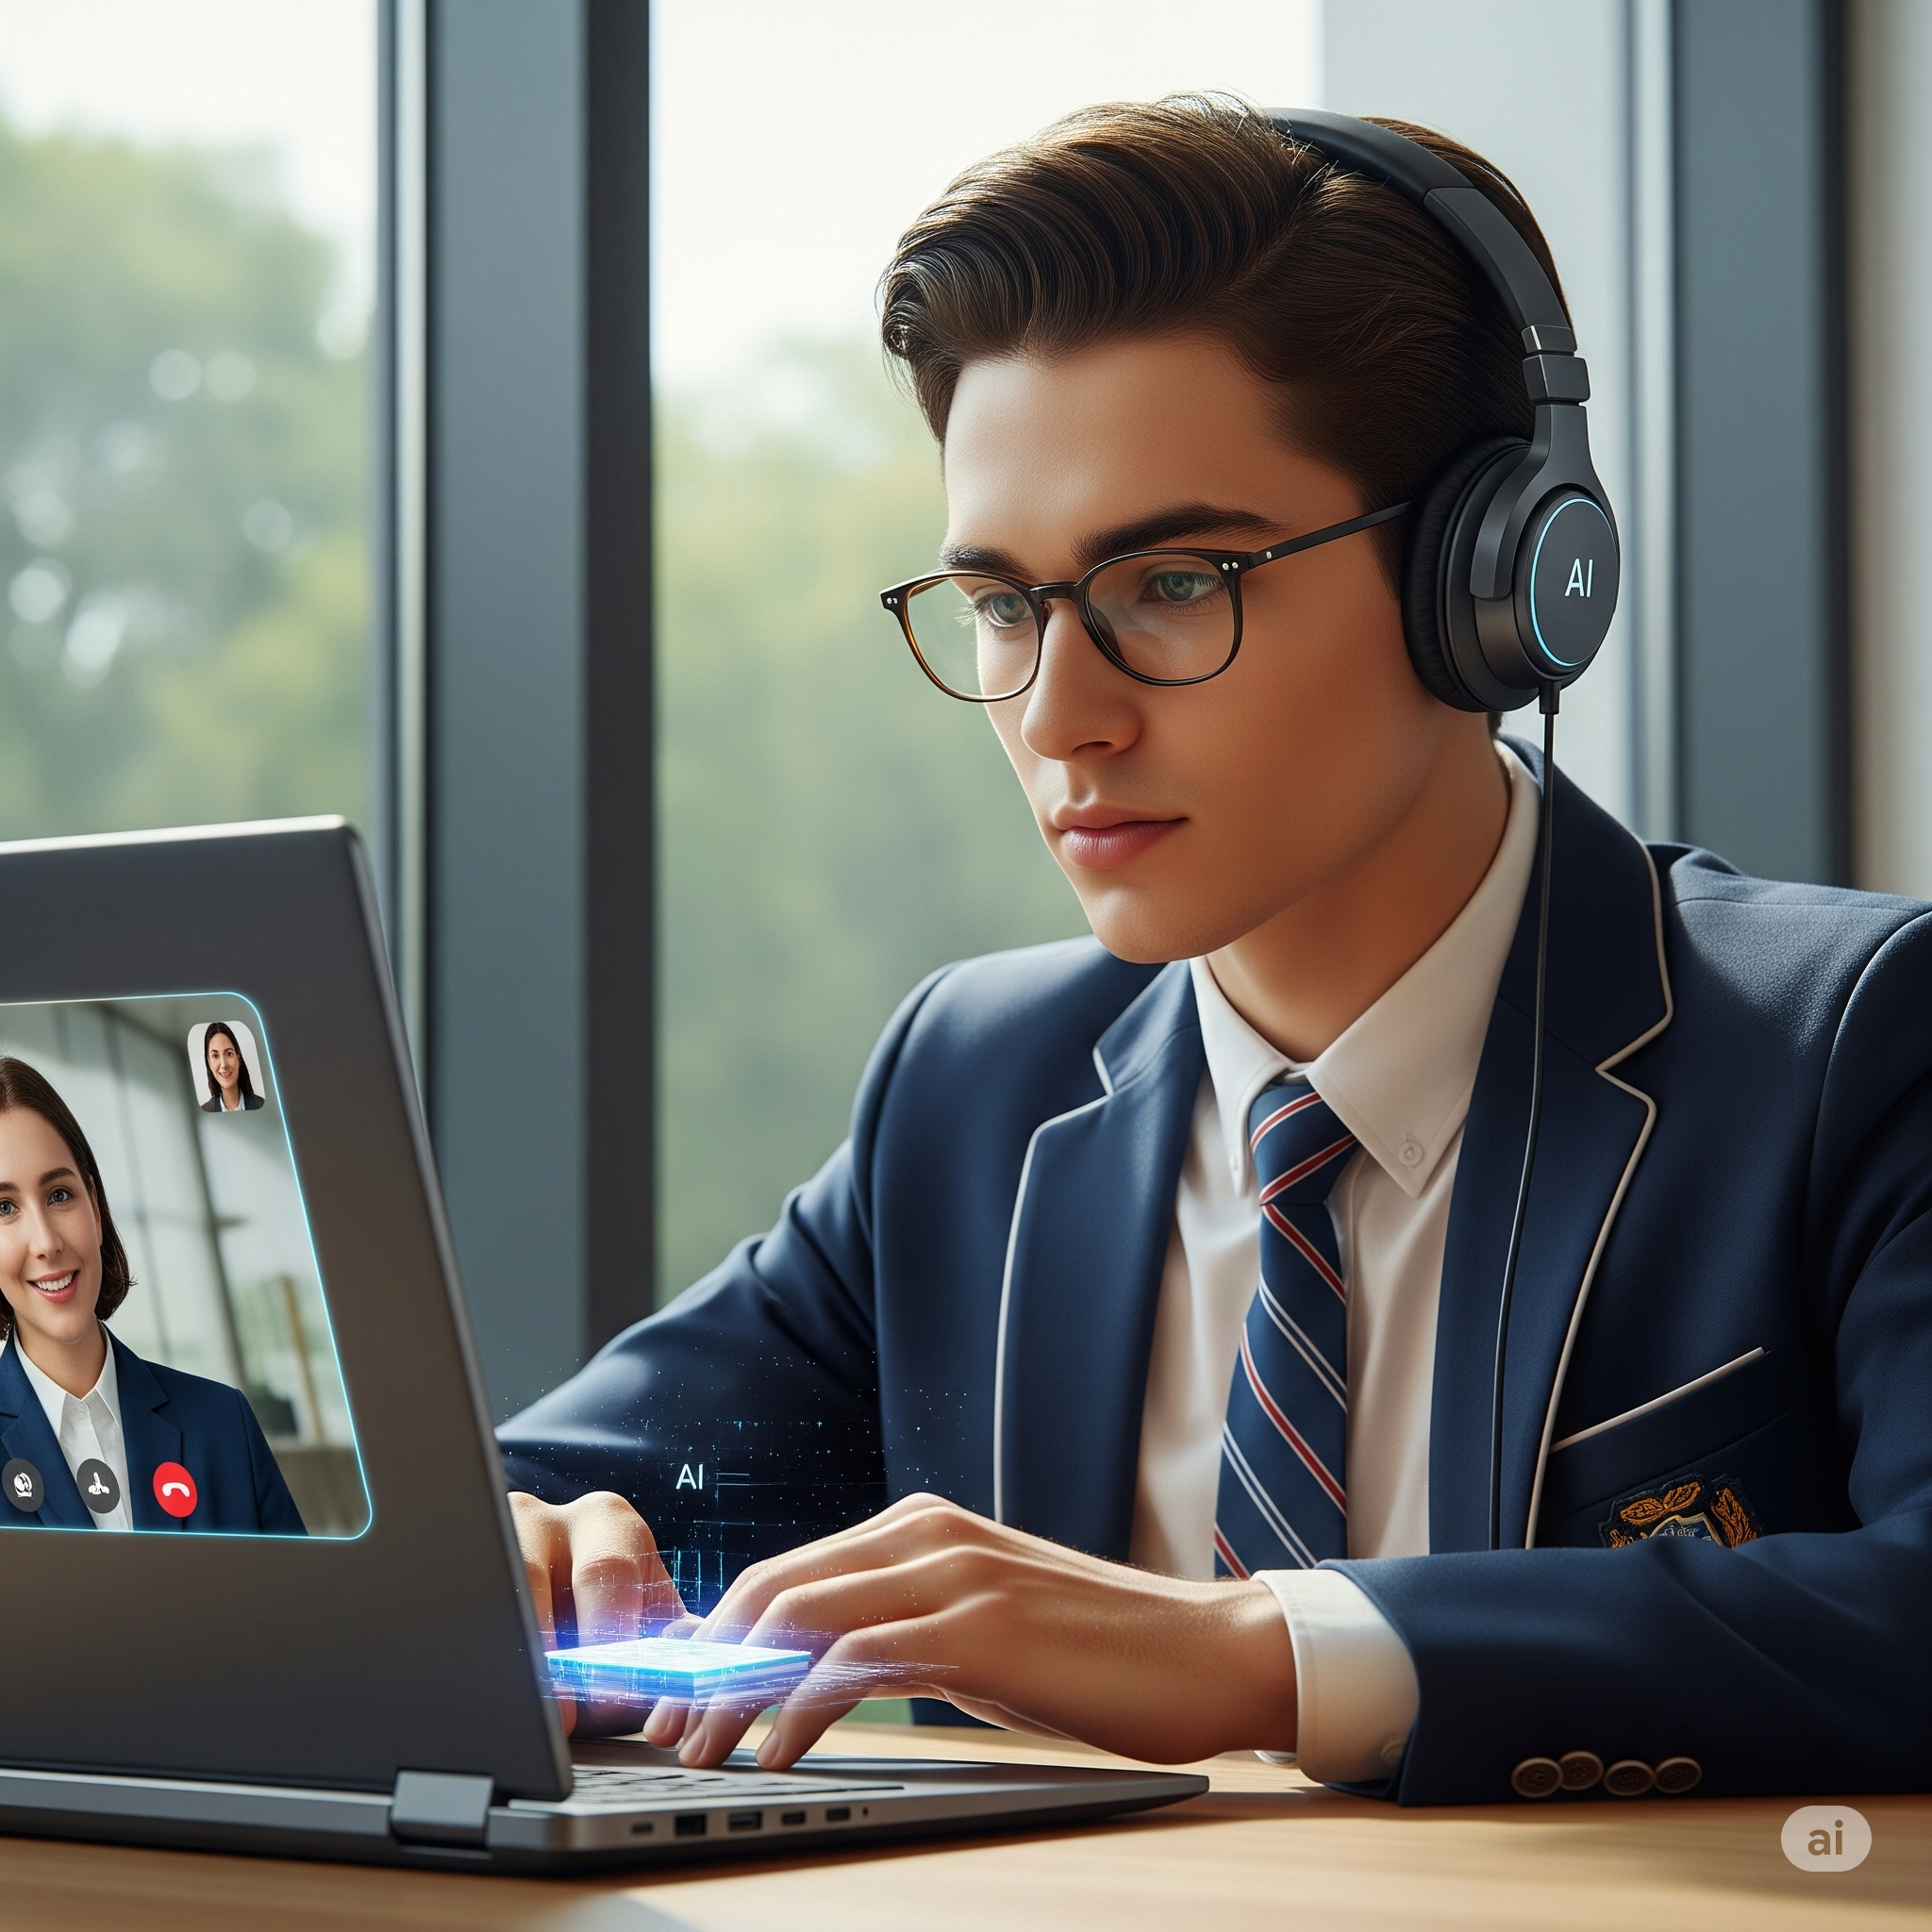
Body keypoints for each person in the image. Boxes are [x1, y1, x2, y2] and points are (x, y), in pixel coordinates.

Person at [499, 99, 1931, 1803]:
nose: (1056, 716)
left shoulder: (1850, 1045)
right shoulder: (970, 1084)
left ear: (1492, 580)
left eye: (1170, 580)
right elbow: (525, 1503)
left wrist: (1250, 1647)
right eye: (1003, 604)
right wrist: (525, 1535)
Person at [0, 1057, 305, 1534]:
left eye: (59, 1195)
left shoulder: (226, 1427)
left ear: (96, 1210)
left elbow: (306, 1608)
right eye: (4, 1208)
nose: (46, 1242)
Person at [200, 1021, 263, 1113]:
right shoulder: (205, 1112)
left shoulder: (260, 1105)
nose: (224, 1064)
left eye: (229, 1054)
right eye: (215, 1056)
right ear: (209, 1062)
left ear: (238, 1058)